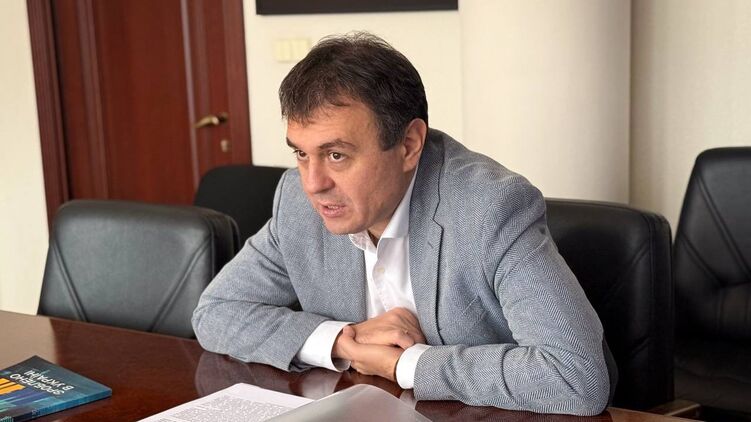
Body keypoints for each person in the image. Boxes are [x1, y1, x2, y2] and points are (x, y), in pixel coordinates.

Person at [192, 32, 614, 416]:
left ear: (409, 145)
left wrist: (404, 364)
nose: (313, 183)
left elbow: (575, 376)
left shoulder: (490, 208)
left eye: (336, 155)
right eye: (301, 154)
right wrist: (343, 340)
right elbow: (216, 312)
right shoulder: (299, 203)